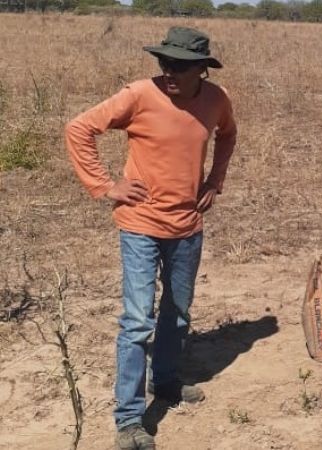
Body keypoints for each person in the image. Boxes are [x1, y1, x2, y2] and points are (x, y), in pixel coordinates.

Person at [64, 27, 237, 450]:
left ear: (202, 69)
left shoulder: (217, 100)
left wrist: (214, 181)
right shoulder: (140, 94)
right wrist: (106, 186)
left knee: (177, 313)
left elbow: (228, 134)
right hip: (140, 224)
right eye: (164, 62)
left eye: (180, 65)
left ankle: (167, 382)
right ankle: (129, 419)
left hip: (187, 226)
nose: (169, 72)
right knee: (138, 320)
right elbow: (79, 129)